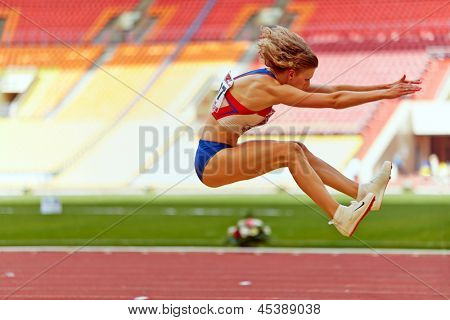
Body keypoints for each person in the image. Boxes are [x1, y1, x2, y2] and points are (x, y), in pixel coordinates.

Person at [194, 26, 421, 237]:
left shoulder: (273, 79)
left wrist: (386, 87)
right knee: (290, 152)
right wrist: (384, 95)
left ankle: (361, 192)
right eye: (307, 79)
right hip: (211, 160)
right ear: (291, 74)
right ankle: (340, 216)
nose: (308, 84)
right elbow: (334, 100)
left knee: (298, 149)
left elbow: (334, 89)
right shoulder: (265, 87)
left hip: (222, 152)